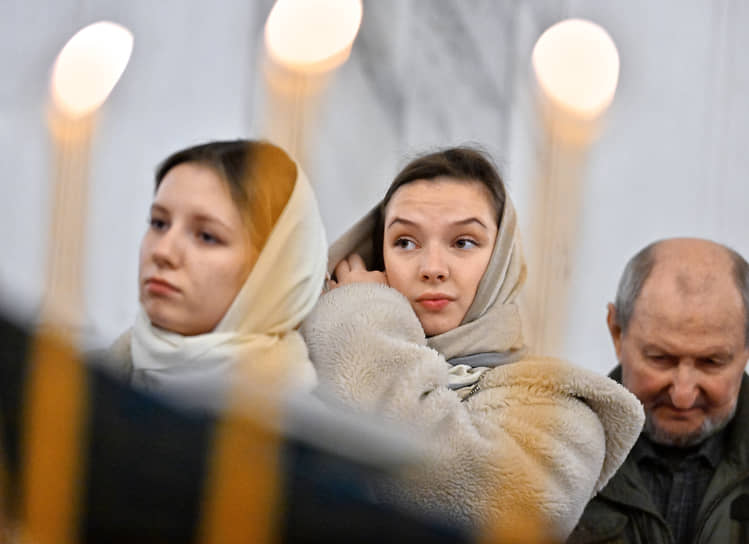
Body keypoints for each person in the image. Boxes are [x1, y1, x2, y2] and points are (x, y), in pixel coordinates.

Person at [301, 146, 644, 540]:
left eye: (463, 242)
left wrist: (363, 320)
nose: (432, 269)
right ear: (378, 254)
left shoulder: (560, 412)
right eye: (406, 242)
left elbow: (478, 504)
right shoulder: (305, 369)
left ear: (502, 258)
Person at [106, 140, 327, 404]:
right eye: (159, 223)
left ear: (276, 270)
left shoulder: (308, 435)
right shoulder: (72, 387)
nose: (163, 252)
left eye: (207, 236)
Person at [568, 238, 749, 544]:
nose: (683, 394)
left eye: (711, 362)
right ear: (616, 332)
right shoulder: (549, 455)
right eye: (660, 359)